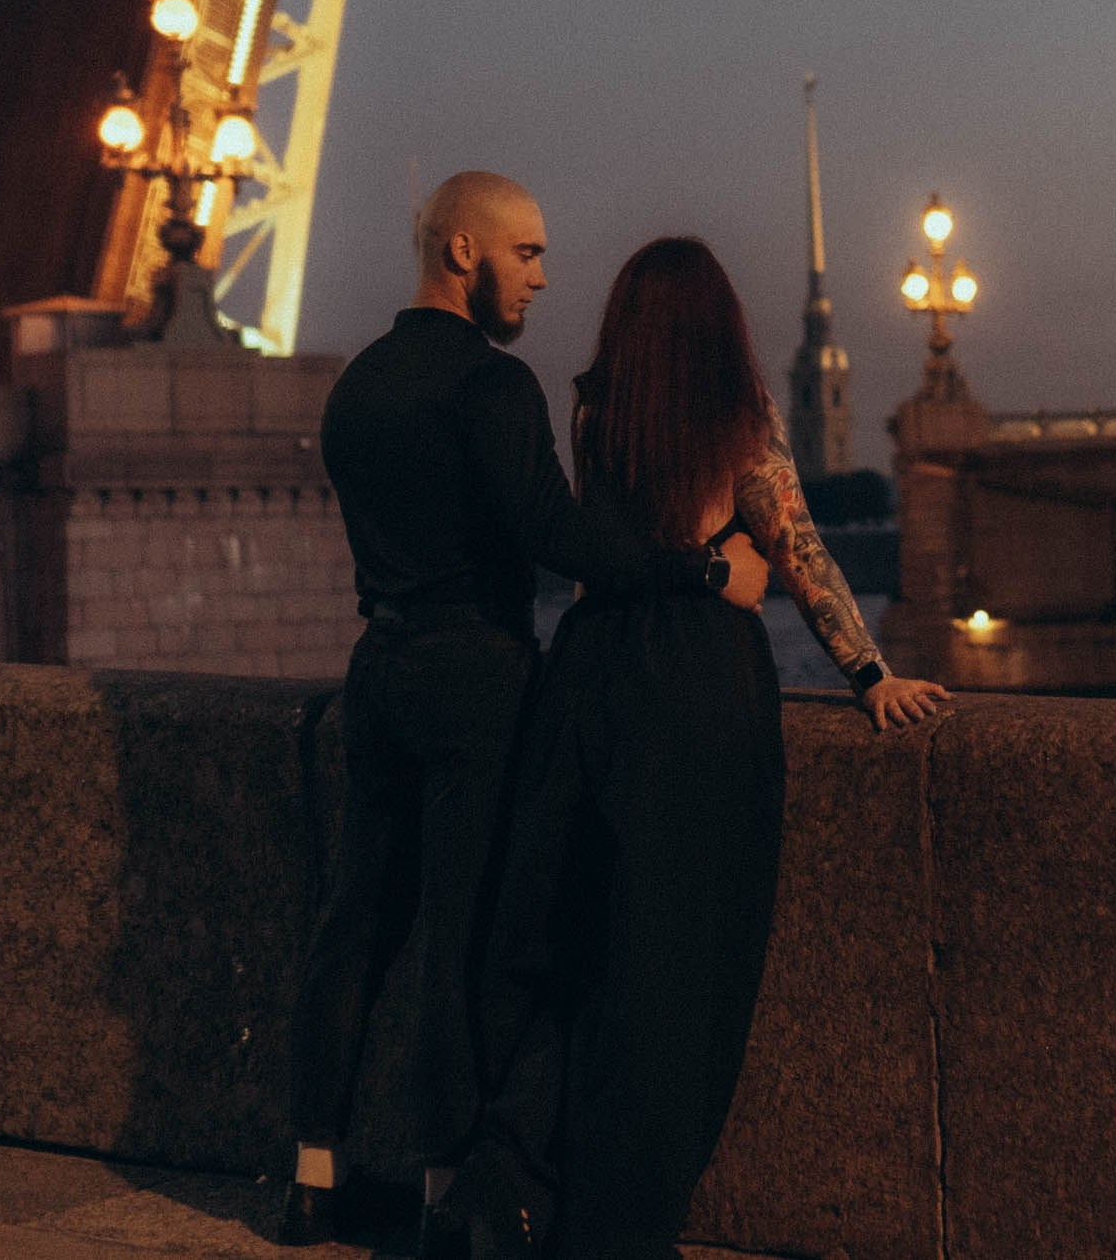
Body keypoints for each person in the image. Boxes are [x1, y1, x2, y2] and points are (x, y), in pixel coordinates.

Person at [280, 176, 770, 1255]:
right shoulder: (491, 388)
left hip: (379, 668)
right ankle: (446, 1192)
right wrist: (698, 573)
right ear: (466, 252)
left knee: (354, 920)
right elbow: (563, 539)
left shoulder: (354, 386)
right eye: (528, 255)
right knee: (466, 939)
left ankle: (311, 1177)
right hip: (476, 680)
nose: (543, 278)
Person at [458, 236, 950, 1259]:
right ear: (720, 323)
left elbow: (606, 549)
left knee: (578, 946)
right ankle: (631, 1219)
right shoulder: (743, 423)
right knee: (683, 964)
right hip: (699, 685)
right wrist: (870, 675)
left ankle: (528, 1191)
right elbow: (800, 553)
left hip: (592, 673)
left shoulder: (596, 411)